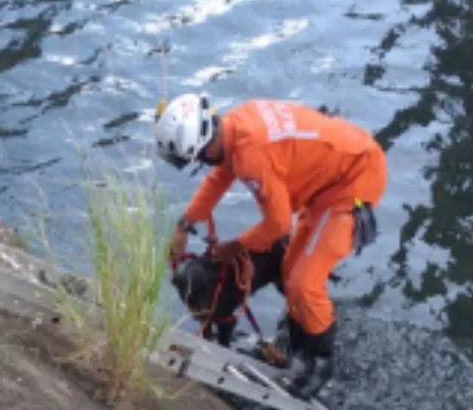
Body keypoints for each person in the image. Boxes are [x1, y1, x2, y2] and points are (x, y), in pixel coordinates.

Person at [154, 91, 388, 397]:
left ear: (202, 147)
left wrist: (235, 247)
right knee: (290, 270)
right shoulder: (234, 125)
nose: (197, 162)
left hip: (352, 181)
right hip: (332, 172)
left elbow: (277, 225)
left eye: (194, 157)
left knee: (304, 282)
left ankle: (320, 363)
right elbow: (220, 177)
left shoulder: (252, 157)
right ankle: (301, 349)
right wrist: (185, 223)